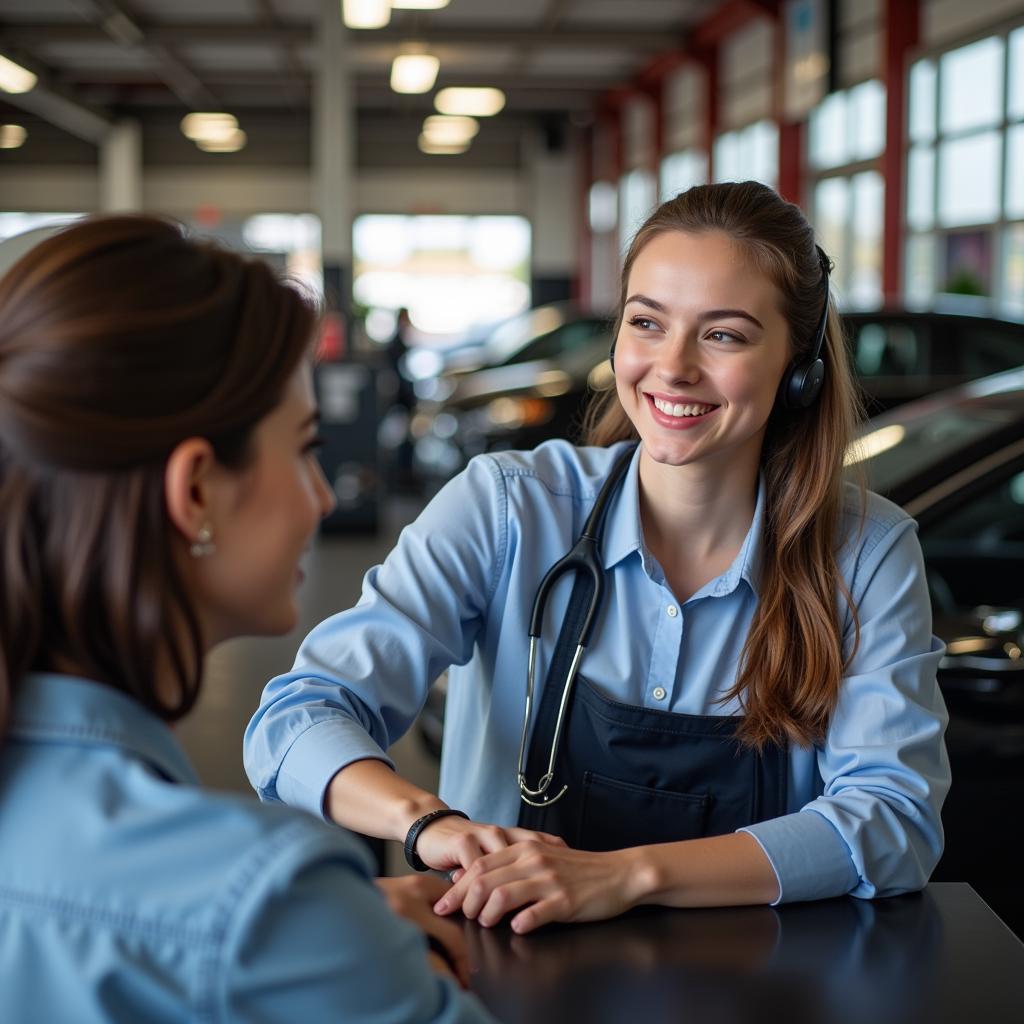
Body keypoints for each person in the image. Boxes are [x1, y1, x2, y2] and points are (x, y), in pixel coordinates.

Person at [244, 182, 950, 935]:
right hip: (509, 972)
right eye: (648, 322)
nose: (672, 367)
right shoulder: (508, 509)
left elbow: (893, 819)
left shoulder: (866, 553)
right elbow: (297, 717)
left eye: (724, 335)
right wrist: (433, 826)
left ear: (798, 368)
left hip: (757, 982)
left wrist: (625, 876)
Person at [0, 216, 493, 1023]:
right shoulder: (266, 900)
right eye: (304, 449)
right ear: (195, 491)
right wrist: (362, 956)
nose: (324, 495)